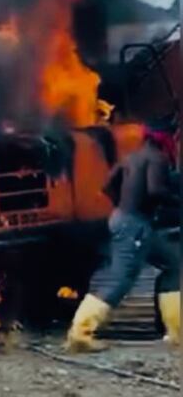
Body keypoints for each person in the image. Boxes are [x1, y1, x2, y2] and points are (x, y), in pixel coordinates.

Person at [67, 122, 181, 351]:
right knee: (120, 278)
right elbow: (155, 190)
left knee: (174, 264)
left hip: (126, 220)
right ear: (164, 140)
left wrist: (126, 204)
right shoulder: (157, 158)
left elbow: (108, 186)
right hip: (135, 225)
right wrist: (174, 202)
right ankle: (80, 333)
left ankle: (176, 332)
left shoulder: (131, 157)